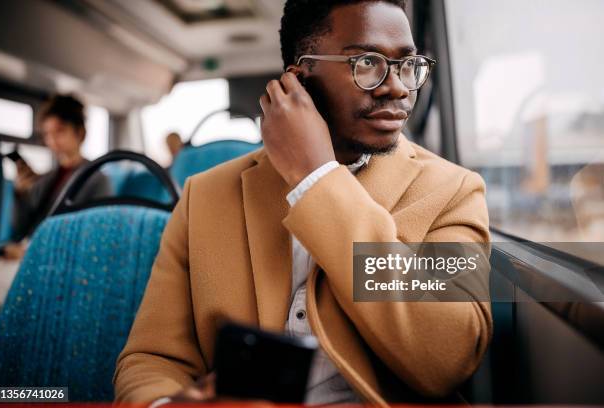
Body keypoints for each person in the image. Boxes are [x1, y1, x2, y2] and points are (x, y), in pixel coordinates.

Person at [114, 0, 492, 405]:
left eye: (407, 65)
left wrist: (316, 179)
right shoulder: (204, 196)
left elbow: (446, 357)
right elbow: (152, 358)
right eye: (367, 63)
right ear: (298, 78)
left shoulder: (455, 191)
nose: (398, 86)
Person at [3, 94, 111, 260]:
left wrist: (30, 252)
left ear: (80, 133)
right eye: (47, 134)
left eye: (60, 131)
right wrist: (20, 194)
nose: (52, 140)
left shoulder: (97, 179)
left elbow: (94, 237)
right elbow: (18, 231)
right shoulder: (44, 180)